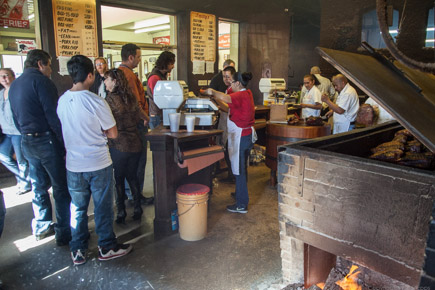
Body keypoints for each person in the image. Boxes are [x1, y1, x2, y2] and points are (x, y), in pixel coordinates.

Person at [57, 55, 132, 266]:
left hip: (73, 164)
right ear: (90, 75)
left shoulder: (62, 100)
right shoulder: (96, 101)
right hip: (98, 163)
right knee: (102, 207)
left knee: (78, 208)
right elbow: (113, 133)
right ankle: (106, 247)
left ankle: (78, 249)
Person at [9, 49, 71, 245]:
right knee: (60, 187)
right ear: (40, 64)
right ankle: (63, 231)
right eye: (49, 65)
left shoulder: (15, 84)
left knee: (38, 186)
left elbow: (15, 117)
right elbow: (53, 117)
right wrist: (63, 144)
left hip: (26, 140)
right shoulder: (43, 83)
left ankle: (42, 226)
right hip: (46, 140)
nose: (51, 69)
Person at [205, 72, 257, 214]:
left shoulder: (241, 94)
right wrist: (215, 101)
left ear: (238, 83)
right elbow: (228, 107)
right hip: (244, 136)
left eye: (232, 82)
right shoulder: (246, 93)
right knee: (240, 169)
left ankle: (241, 204)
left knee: (238, 170)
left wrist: (211, 92)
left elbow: (225, 97)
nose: (230, 84)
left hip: (242, 136)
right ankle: (240, 193)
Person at [104, 68, 149, 223]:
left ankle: (121, 211)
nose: (104, 82)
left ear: (114, 81)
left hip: (119, 144)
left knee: (119, 178)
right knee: (133, 176)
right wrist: (147, 120)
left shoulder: (109, 100)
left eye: (107, 79)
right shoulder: (130, 97)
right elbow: (142, 115)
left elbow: (105, 123)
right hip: (135, 142)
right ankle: (137, 207)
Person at [119, 43, 153, 204]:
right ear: (131, 57)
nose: (139, 60)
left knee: (128, 161)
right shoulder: (130, 76)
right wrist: (146, 117)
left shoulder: (117, 74)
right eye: (139, 57)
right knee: (139, 161)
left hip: (123, 126)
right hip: (136, 124)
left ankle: (128, 192)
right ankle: (136, 195)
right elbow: (135, 103)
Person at [0, 68, 31, 195]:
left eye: (6, 75)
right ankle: (24, 178)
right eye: (1, 76)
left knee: (21, 159)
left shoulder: (18, 91)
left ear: (13, 76)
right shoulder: (1, 93)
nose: (4, 78)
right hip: (5, 131)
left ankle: (25, 184)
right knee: (4, 156)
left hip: (18, 131)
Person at [214, 65, 236, 183]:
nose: (225, 79)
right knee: (227, 148)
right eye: (224, 77)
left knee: (229, 149)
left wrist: (216, 98)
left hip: (232, 124)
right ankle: (231, 174)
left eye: (228, 77)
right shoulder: (228, 89)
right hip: (227, 122)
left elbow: (229, 109)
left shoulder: (233, 90)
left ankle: (232, 175)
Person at [146, 51, 176, 129]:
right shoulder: (155, 77)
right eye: (172, 64)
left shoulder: (162, 75)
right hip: (157, 116)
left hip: (161, 114)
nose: (173, 66)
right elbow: (159, 98)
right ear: (166, 63)